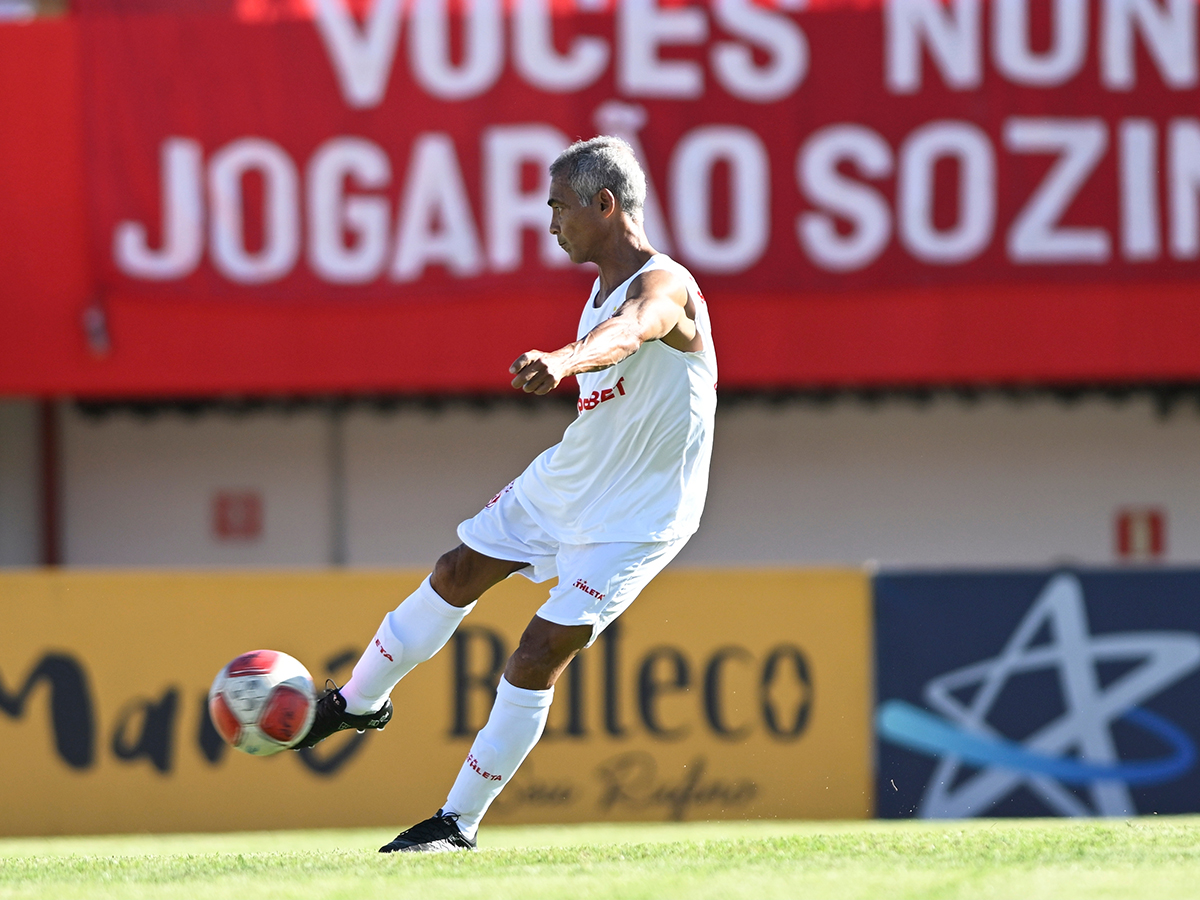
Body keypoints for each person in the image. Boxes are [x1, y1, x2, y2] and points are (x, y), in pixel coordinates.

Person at [294, 135, 718, 853]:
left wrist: (565, 358)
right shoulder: (599, 289)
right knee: (456, 569)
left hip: (637, 516)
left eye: (559, 206)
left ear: (604, 205)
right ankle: (357, 703)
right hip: (570, 480)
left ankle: (455, 823)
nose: (551, 223)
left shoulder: (666, 285)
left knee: (535, 653)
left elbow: (631, 331)